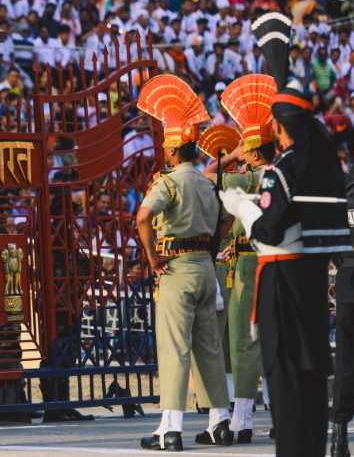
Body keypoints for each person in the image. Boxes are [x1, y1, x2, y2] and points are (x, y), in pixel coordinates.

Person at [222, 13, 351, 457]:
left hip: (281, 280)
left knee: (285, 375)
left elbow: (271, 226)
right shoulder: (318, 163)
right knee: (310, 373)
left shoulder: (283, 170)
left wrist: (239, 205)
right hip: (310, 278)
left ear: (279, 126)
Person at [136, 74, 232, 451]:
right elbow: (225, 219)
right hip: (206, 268)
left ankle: (169, 428)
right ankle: (219, 422)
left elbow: (143, 217)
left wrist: (151, 256)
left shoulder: (170, 183)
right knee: (210, 347)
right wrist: (213, 248)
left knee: (175, 347)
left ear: (174, 150)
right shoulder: (208, 182)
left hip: (175, 267)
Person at [203, 74, 279, 443]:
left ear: (251, 151)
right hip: (277, 263)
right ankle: (274, 412)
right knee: (272, 340)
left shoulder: (250, 179)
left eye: (244, 151)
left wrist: (229, 156)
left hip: (249, 266)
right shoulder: (278, 175)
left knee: (241, 342)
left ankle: (243, 419)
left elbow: (208, 179)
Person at [330, 128, 354, 457]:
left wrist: (345, 266)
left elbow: (331, 238)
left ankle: (339, 435)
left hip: (350, 283)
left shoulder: (342, 189)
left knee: (347, 362)